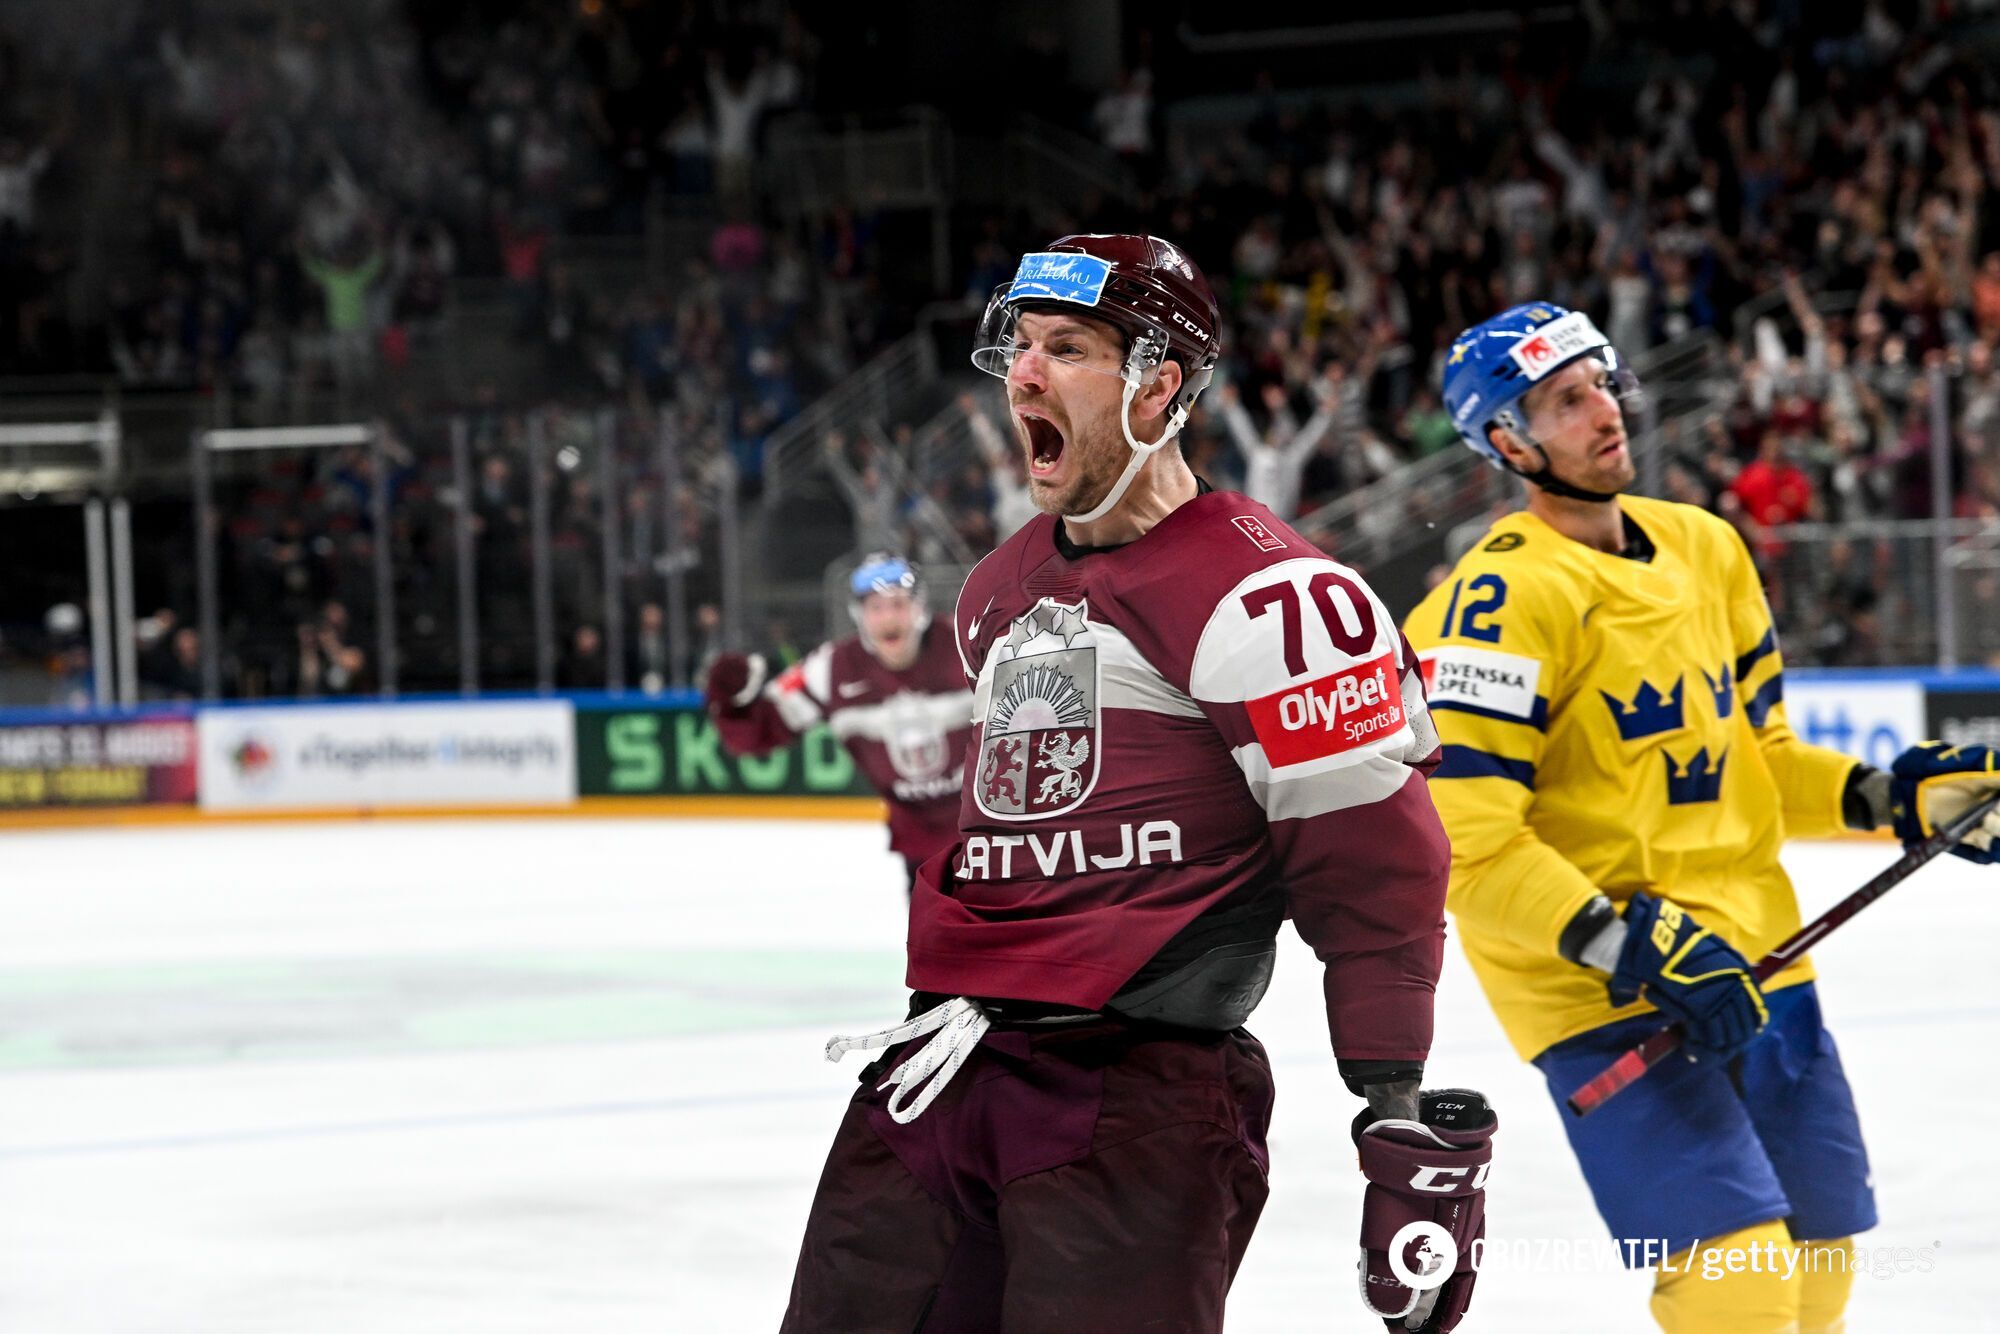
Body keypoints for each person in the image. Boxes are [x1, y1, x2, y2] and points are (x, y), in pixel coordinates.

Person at [780, 234, 1494, 1333]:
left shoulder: (1276, 599)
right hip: (942, 1070)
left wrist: (1394, 1116)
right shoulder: (993, 590)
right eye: (1019, 347)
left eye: (1065, 348)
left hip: (1133, 1098)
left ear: (1159, 383)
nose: (1022, 374)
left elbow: (1376, 872)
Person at [1406, 300, 2000, 1334]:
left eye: (1600, 382)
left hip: (1758, 954)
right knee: (1735, 1281)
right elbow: (1468, 842)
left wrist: (1893, 798)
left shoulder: (1704, 546)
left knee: (1817, 1270)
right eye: (1562, 400)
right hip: (1604, 988)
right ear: (1505, 441)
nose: (1604, 411)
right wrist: (1624, 939)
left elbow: (1757, 761)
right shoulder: (1490, 607)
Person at [705, 553, 974, 890]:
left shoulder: (970, 644)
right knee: (938, 942)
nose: (889, 617)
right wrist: (728, 698)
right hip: (923, 853)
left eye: (899, 604)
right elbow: (757, 732)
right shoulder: (829, 668)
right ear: (858, 615)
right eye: (876, 608)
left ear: (920, 608)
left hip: (1002, 836)